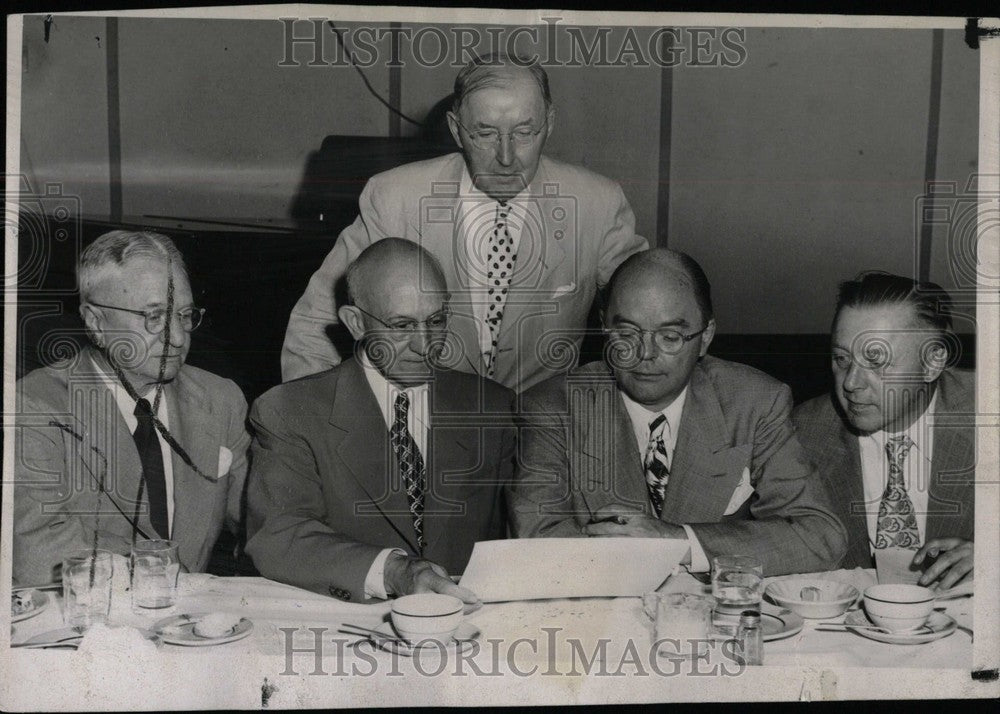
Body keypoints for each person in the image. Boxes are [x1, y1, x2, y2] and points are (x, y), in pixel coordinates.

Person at [281, 52, 647, 392]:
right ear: (457, 130)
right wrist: (321, 435)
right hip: (425, 425)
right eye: (485, 133)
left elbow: (655, 319)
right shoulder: (394, 198)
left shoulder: (597, 203)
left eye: (524, 132)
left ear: (549, 124)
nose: (506, 157)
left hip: (543, 434)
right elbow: (313, 326)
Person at [510, 249, 846, 576]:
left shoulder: (754, 403)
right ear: (603, 328)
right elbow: (537, 544)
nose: (644, 354)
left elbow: (818, 536)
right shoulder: (553, 408)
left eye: (670, 337)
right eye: (626, 333)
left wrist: (678, 540)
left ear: (704, 338)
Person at [246, 239, 513, 603]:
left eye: (436, 320)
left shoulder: (493, 406)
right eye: (402, 326)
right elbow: (279, 535)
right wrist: (392, 571)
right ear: (355, 323)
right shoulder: (291, 411)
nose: (425, 344)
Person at [12, 230, 250, 585]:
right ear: (95, 322)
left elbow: (262, 521)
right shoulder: (35, 406)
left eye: (184, 315)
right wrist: (157, 574)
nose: (179, 337)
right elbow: (33, 551)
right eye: (154, 317)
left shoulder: (220, 399)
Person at [792, 272, 975, 590]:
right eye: (842, 359)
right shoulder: (802, 430)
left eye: (876, 361)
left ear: (933, 362)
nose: (850, 383)